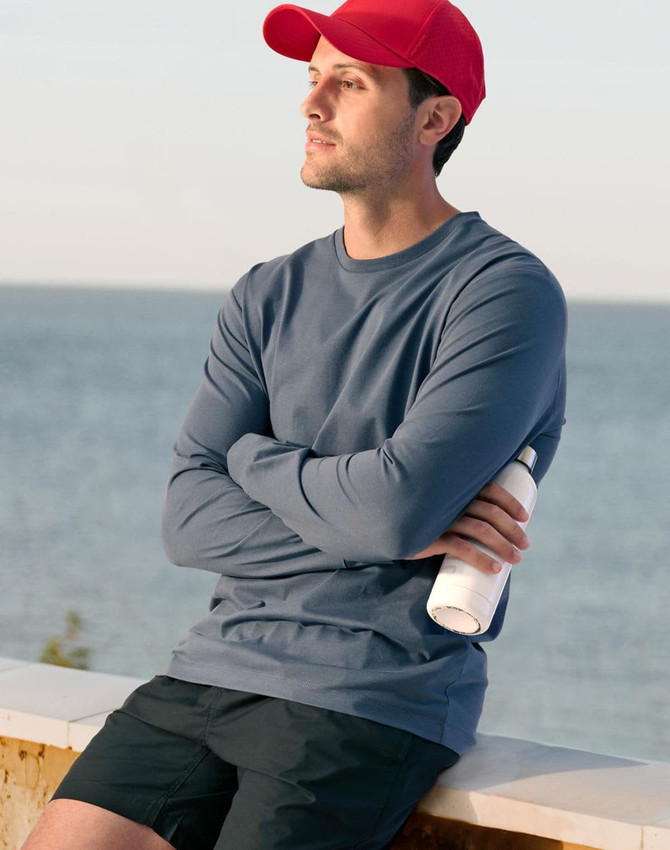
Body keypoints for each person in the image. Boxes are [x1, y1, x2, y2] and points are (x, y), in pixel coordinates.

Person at [23, 0, 566, 848]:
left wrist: (256, 458)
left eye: (348, 83)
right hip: (212, 664)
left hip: (367, 693)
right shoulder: (266, 292)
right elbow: (186, 518)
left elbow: (394, 509)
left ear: (435, 117)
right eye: (313, 80)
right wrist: (384, 525)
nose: (311, 105)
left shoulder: (501, 292)